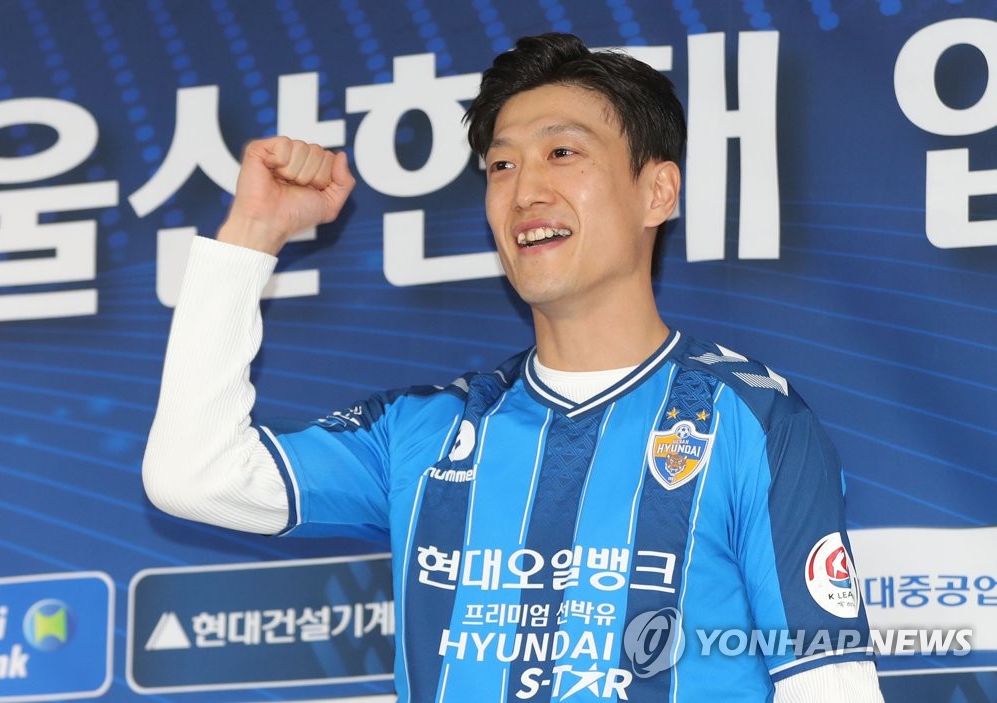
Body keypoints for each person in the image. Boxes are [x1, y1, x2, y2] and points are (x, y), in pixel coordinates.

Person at [143, 33, 885, 702]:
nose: (525, 189)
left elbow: (832, 685)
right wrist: (254, 233)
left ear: (658, 190)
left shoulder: (753, 422)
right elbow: (192, 475)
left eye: (563, 152)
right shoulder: (424, 430)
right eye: (501, 163)